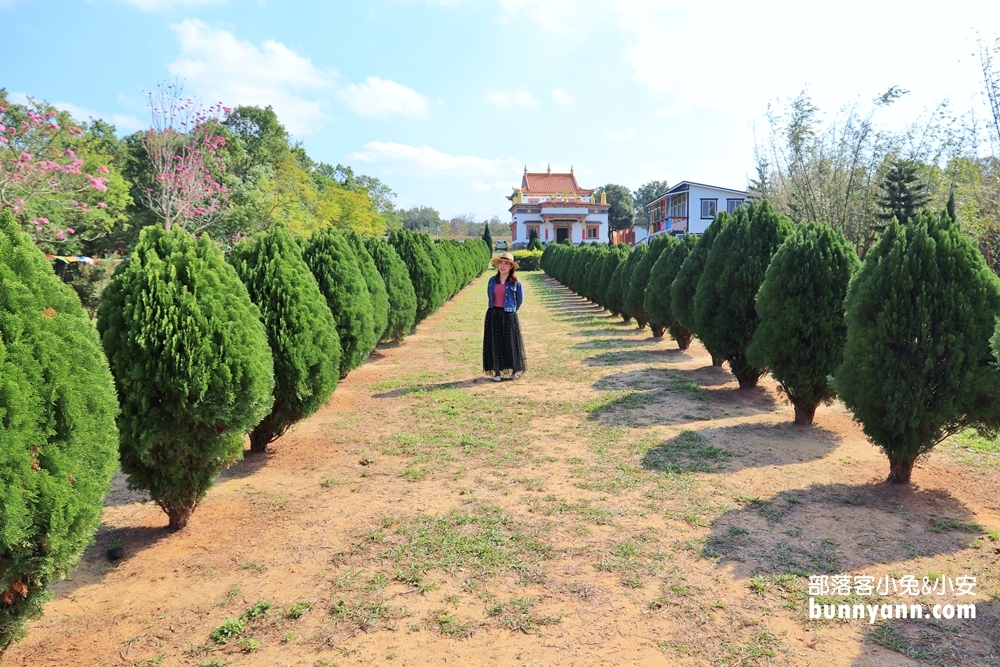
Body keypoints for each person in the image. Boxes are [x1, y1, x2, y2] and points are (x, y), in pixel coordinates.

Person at [483, 252, 527, 381]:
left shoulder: (516, 283)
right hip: (493, 313)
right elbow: (490, 296)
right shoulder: (492, 280)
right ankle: (497, 372)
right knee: (495, 342)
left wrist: (511, 311)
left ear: (511, 266)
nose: (502, 266)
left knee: (511, 342)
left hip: (509, 314)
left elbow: (519, 300)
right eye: (501, 263)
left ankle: (515, 370)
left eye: (506, 264)